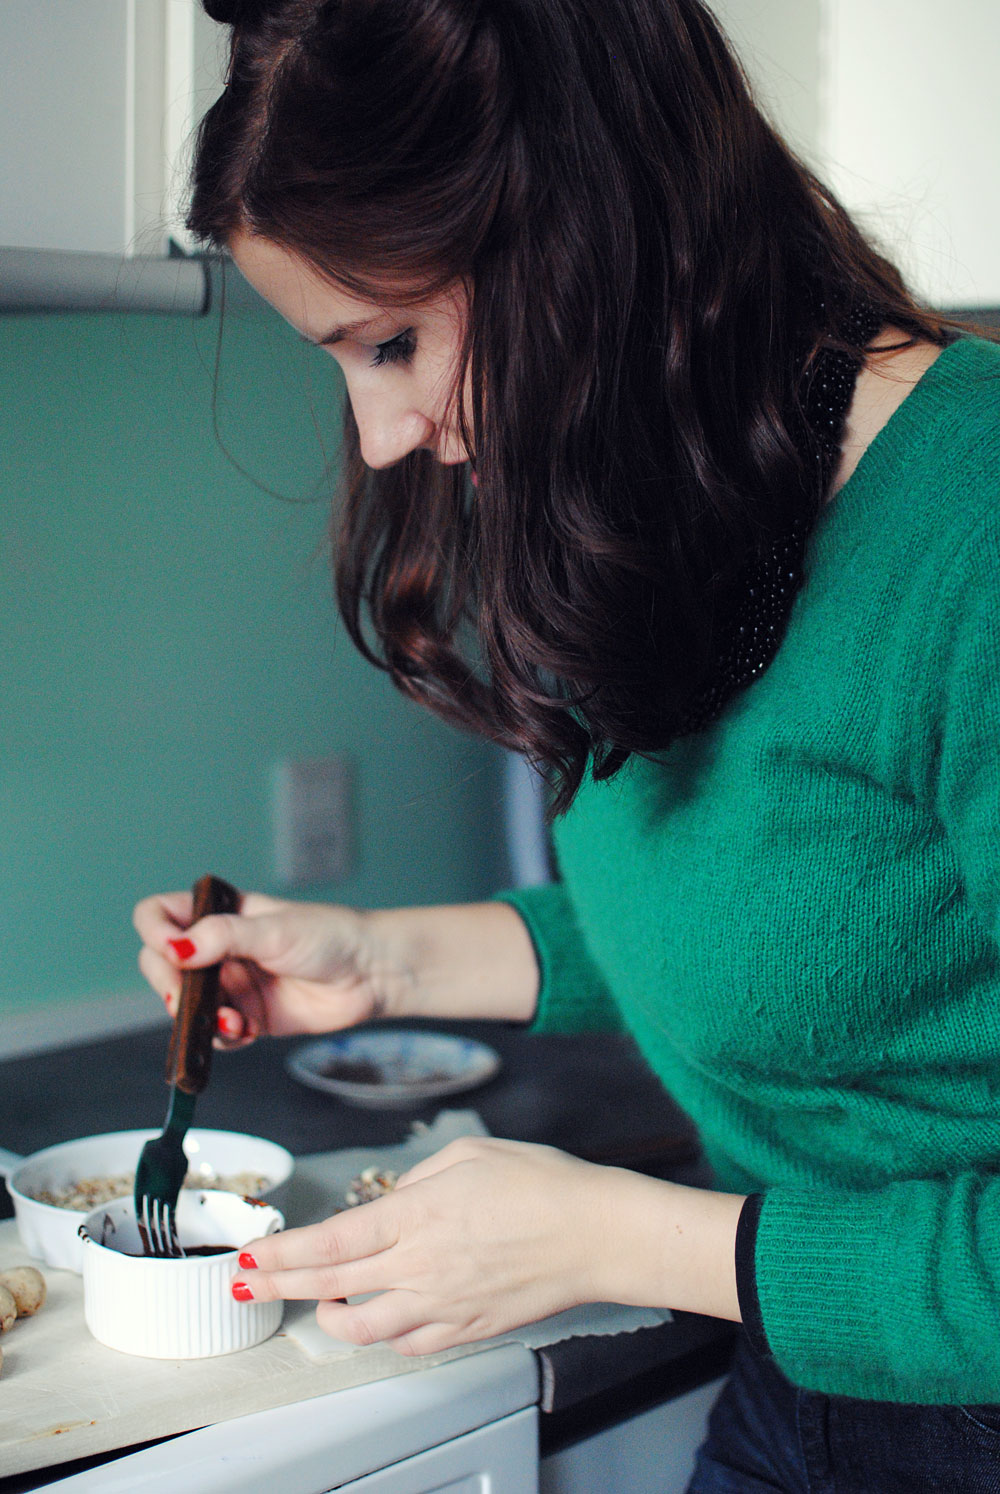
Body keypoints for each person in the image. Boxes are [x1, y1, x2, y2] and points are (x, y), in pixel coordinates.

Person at [133, 0, 1000, 1487]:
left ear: (580, 226)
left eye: (392, 339)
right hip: (807, 1385)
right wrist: (381, 962)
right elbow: (792, 919)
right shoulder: (677, 488)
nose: (384, 430)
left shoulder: (970, 534)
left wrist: (613, 1234)